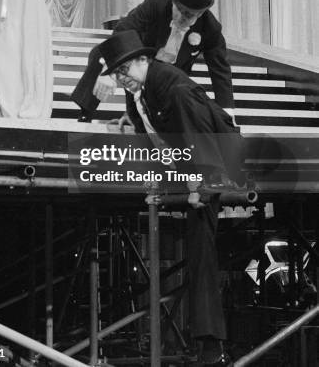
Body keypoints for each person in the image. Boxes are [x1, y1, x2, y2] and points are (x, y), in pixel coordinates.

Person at [98, 29, 240, 365]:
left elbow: (199, 141)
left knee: (200, 249)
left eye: (125, 71)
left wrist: (199, 188)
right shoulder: (140, 86)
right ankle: (205, 341)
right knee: (195, 249)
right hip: (185, 166)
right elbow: (144, 113)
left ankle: (211, 346)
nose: (122, 79)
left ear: (144, 60)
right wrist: (131, 121)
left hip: (212, 164)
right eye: (117, 74)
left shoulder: (175, 89)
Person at [71, 0, 235, 124]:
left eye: (188, 14)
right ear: (173, 1)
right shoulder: (156, 3)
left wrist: (227, 115)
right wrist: (109, 70)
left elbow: (220, 71)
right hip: (139, 60)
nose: (181, 16)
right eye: (179, 9)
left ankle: (145, 120)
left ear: (200, 13)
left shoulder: (211, 27)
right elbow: (123, 29)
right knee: (100, 52)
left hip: (171, 76)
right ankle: (86, 113)